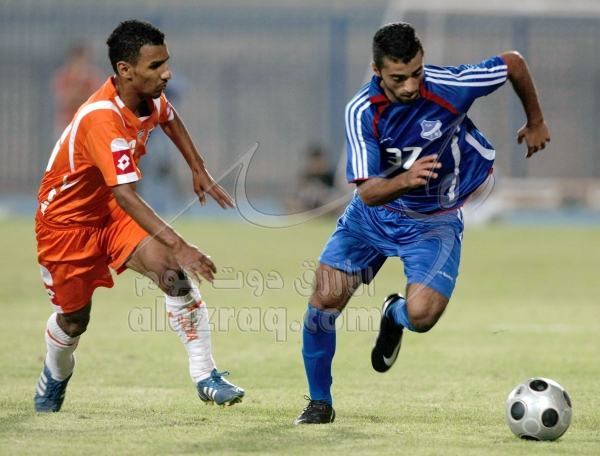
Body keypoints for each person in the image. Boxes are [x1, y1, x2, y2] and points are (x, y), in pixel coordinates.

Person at [294, 22, 550, 425]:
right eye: (399, 78)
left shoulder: (450, 86)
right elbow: (367, 193)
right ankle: (319, 402)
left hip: (434, 220)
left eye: (416, 73)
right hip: (373, 216)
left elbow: (513, 63)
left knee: (423, 316)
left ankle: (393, 315)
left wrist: (535, 120)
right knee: (322, 303)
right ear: (377, 71)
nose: (411, 85)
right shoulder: (362, 111)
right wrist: (407, 179)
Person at [34, 20, 244, 412]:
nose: (167, 73)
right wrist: (180, 244)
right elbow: (127, 194)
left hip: (111, 213)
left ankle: (206, 375)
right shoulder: (102, 118)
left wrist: (197, 166)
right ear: (125, 70)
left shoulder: (146, 97)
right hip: (66, 225)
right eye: (156, 66)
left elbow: (169, 116)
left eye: (166, 62)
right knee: (74, 321)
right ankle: (55, 372)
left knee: (171, 274)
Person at [52, 44, 105, 136]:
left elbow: (96, 100)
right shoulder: (64, 77)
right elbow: (66, 100)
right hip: (67, 123)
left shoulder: (92, 77)